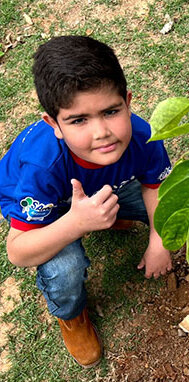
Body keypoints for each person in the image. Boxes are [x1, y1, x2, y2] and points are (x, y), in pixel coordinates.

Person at [0, 36, 172, 368]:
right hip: (50, 210)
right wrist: (76, 224)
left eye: (111, 111)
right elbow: (18, 251)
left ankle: (107, 217)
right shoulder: (42, 166)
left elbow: (156, 185)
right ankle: (72, 316)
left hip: (105, 188)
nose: (101, 132)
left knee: (171, 204)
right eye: (79, 120)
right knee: (65, 267)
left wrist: (159, 240)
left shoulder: (141, 135)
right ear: (55, 125)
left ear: (128, 102)